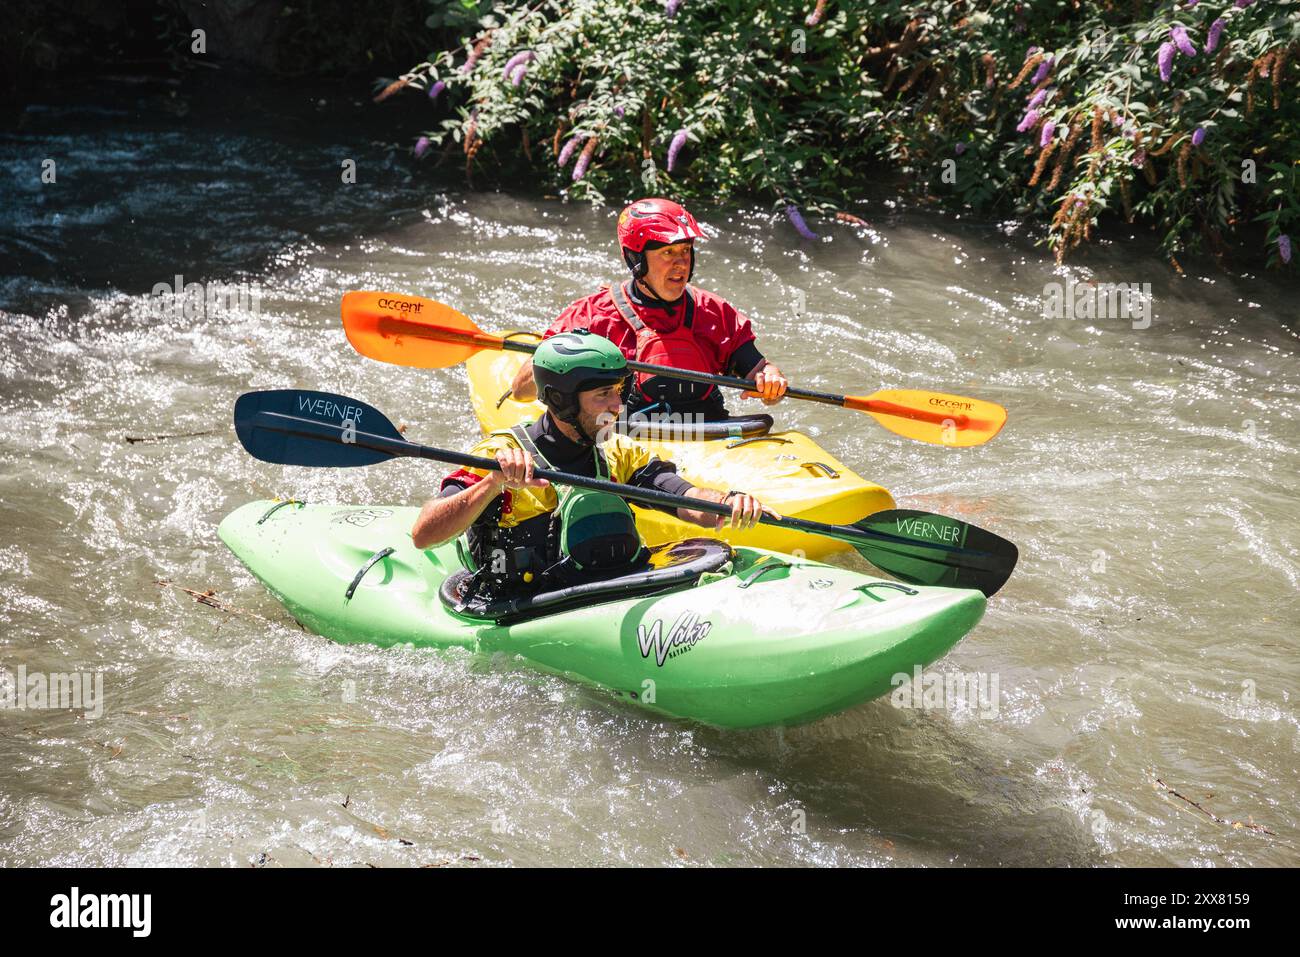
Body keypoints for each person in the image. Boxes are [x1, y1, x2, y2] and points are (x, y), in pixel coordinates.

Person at [412, 330, 779, 600]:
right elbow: (424, 534)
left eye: (618, 392)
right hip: (521, 602)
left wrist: (726, 503)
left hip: (598, 589)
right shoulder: (503, 453)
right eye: (603, 394)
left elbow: (682, 497)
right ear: (561, 400)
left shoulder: (616, 451)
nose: (618, 406)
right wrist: (492, 484)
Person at [508, 197, 789, 422]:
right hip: (628, 438)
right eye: (668, 253)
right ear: (636, 259)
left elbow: (758, 368)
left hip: (708, 434)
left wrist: (770, 381)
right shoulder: (592, 316)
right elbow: (521, 392)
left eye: (686, 251)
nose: (681, 263)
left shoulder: (713, 311)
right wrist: (564, 364)